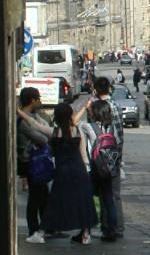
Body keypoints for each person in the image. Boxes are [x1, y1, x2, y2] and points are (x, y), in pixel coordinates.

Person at [19, 101, 97, 245]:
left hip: (62, 171)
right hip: (79, 169)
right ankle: (86, 234)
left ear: (57, 116)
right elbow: (83, 154)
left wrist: (20, 113)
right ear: (69, 115)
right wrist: (87, 170)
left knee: (56, 202)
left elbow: (34, 125)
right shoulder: (78, 131)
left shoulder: (54, 132)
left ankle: (41, 232)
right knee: (84, 202)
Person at [81, 100, 120, 242]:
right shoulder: (112, 128)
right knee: (109, 200)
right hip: (108, 168)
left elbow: (84, 148)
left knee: (88, 199)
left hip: (93, 168)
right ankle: (112, 230)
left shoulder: (87, 127)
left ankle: (86, 231)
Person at [16, 87, 50, 243]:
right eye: (38, 98)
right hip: (31, 163)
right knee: (36, 197)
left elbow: (47, 127)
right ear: (32, 100)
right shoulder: (23, 121)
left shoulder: (32, 116)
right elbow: (43, 138)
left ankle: (45, 227)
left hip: (37, 162)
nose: (40, 101)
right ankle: (33, 230)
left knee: (43, 196)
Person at [92, 76, 125, 237]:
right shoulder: (116, 105)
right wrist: (119, 155)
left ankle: (107, 226)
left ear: (96, 89)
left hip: (100, 156)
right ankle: (117, 227)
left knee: (103, 194)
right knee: (114, 194)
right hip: (114, 153)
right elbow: (119, 133)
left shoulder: (97, 106)